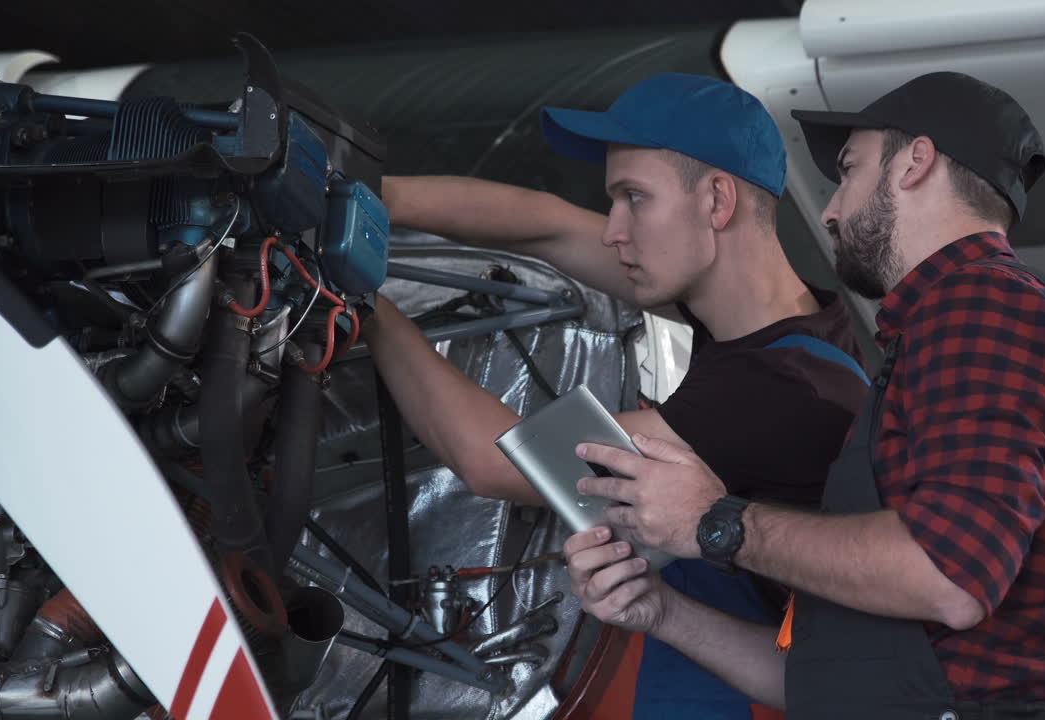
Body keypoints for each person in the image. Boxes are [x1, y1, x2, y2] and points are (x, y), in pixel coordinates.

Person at [564, 71, 1045, 720]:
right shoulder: (942, 331)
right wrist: (660, 612)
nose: (830, 210)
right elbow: (819, 684)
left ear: (915, 162)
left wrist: (717, 522)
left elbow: (950, 578)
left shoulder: (983, 304)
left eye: (849, 171)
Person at [362, 73, 869, 718]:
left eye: (635, 199)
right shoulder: (795, 322)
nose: (612, 231)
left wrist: (361, 298)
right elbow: (548, 227)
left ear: (717, 201)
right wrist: (365, 198)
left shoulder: (780, 390)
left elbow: (498, 461)